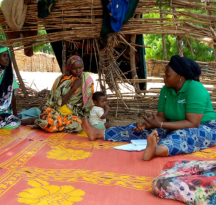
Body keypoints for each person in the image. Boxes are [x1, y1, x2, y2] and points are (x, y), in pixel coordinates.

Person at [82, 55, 216, 161]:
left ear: (180, 77)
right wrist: (146, 125)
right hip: (173, 125)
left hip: (205, 127)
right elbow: (161, 117)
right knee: (139, 129)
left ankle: (155, 150)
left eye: (167, 75)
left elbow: (193, 123)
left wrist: (162, 124)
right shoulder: (166, 90)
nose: (164, 78)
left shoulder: (195, 88)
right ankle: (97, 133)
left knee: (183, 135)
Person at [35, 55, 94, 133]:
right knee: (51, 118)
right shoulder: (61, 80)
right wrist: (74, 88)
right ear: (69, 68)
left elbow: (88, 104)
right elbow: (58, 103)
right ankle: (42, 123)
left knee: (78, 126)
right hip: (57, 110)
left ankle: (44, 124)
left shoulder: (87, 80)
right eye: (74, 69)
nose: (78, 71)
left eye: (80, 68)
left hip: (74, 114)